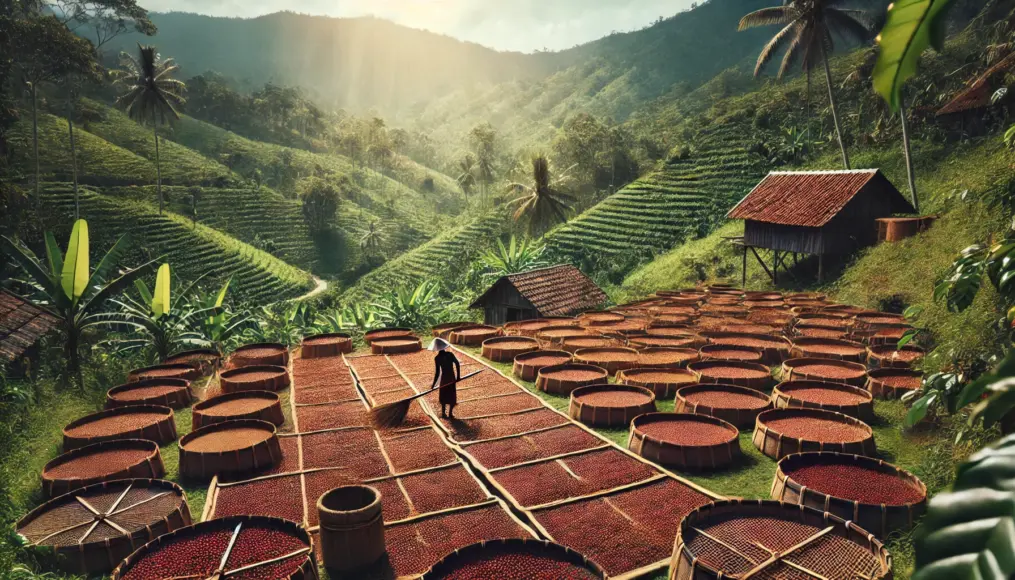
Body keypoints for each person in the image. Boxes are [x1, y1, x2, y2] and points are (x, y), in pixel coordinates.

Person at [430, 338, 461, 419]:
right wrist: (458, 377)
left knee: (443, 395)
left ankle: (444, 413)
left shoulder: (437, 358)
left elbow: (437, 373)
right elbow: (457, 364)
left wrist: (433, 384)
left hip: (444, 378)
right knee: (451, 395)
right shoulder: (450, 354)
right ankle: (450, 413)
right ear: (444, 346)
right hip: (451, 377)